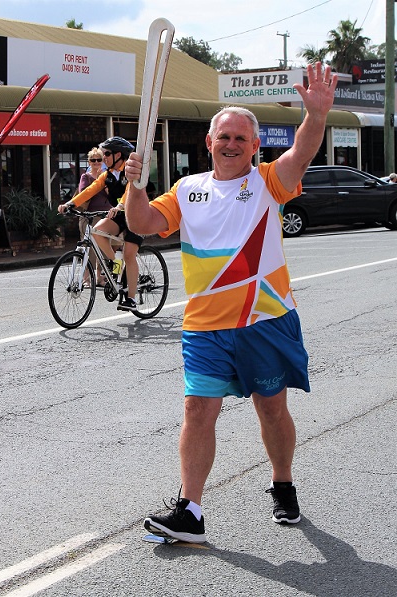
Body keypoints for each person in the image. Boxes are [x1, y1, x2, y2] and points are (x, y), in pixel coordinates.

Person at [124, 62, 338, 544]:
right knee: (198, 410)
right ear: (209, 142)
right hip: (204, 326)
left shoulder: (268, 182)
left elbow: (301, 154)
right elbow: (143, 224)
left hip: (264, 320)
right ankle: (191, 511)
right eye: (225, 136)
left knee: (271, 409)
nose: (232, 144)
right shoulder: (187, 189)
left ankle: (282, 480)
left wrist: (317, 117)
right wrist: (134, 183)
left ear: (255, 146)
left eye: (242, 138)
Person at [58, 136, 143, 311]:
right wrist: (70, 204)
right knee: (96, 232)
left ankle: (131, 299)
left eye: (106, 154)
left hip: (137, 216)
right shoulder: (107, 175)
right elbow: (90, 190)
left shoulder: (131, 172)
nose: (103, 157)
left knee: (129, 254)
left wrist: (119, 205)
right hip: (119, 215)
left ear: (118, 155)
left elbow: (130, 190)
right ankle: (114, 263)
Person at [75, 147, 111, 286]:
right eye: (93, 160)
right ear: (89, 162)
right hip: (90, 216)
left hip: (105, 215)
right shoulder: (86, 177)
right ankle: (87, 277)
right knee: (88, 248)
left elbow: (111, 194)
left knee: (103, 247)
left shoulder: (107, 176)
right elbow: (83, 193)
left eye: (99, 160)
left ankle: (100, 276)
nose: (96, 162)